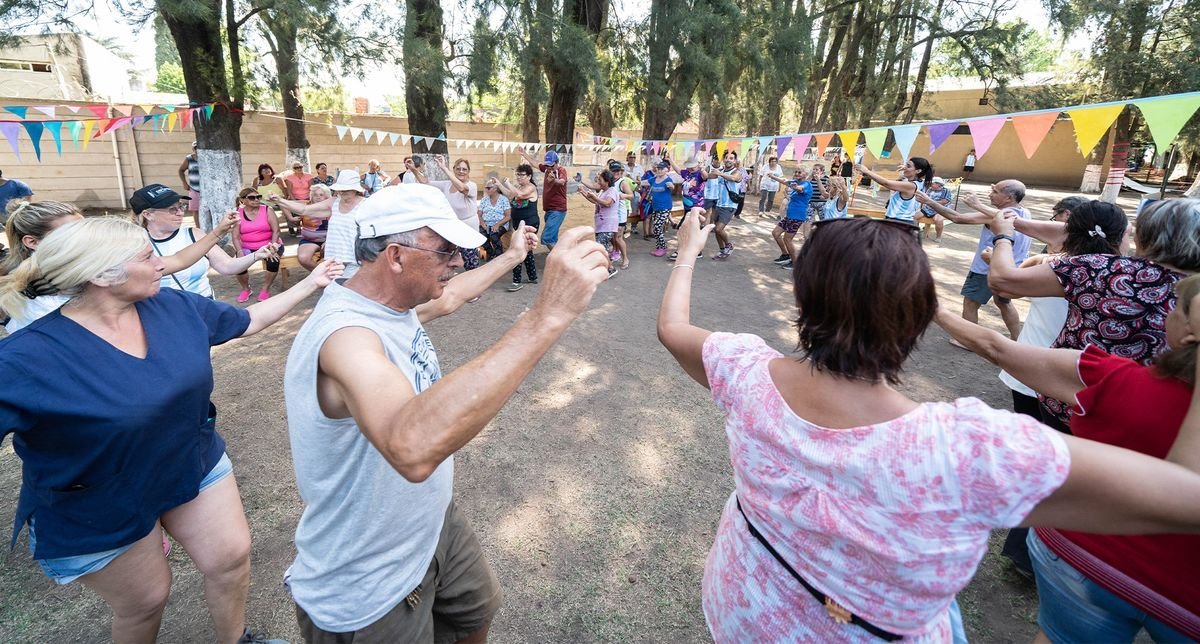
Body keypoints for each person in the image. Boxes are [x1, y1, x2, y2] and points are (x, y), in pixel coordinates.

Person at [657, 210, 1200, 643]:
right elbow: (1188, 496)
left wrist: (687, 255)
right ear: (919, 315)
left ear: (802, 297)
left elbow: (673, 328)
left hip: (743, 603)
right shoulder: (966, 450)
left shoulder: (744, 371)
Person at [282, 185, 609, 643]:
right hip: (368, 573)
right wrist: (546, 315)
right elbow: (411, 447)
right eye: (446, 251)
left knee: (475, 616)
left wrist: (513, 257)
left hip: (429, 523)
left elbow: (451, 296)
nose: (458, 261)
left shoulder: (390, 305)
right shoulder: (346, 335)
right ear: (395, 256)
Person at [0, 216, 340, 644]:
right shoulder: (23, 360)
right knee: (146, 601)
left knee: (231, 559)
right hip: (99, 500)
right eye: (147, 256)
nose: (162, 264)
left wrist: (311, 283)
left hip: (190, 460)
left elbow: (247, 320)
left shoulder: (174, 307)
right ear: (101, 275)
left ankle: (236, 640)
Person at [936, 274, 1200, 643]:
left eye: (1176, 308)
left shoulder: (1116, 379)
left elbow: (997, 348)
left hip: (1083, 558)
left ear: (1189, 333)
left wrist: (935, 310)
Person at [983, 197, 1200, 429]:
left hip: (1074, 401)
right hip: (1160, 419)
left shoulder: (1106, 268)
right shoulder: (1186, 287)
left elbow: (1004, 282)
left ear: (1146, 235)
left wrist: (1003, 237)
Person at [916, 180, 1032, 340]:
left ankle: (967, 341)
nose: (990, 194)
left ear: (1009, 198)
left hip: (986, 269)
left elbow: (957, 217)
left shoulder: (995, 217)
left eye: (996, 192)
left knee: (970, 302)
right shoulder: (1024, 213)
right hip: (1011, 269)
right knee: (1003, 303)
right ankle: (1017, 338)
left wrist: (928, 201)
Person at [131, 184, 277, 301]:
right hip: (162, 315)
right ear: (148, 214)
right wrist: (219, 231)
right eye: (172, 209)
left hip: (203, 307)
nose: (181, 212)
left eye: (181, 206)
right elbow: (179, 260)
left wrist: (257, 255)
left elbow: (227, 266)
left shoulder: (194, 234)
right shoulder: (135, 245)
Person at [270, 169, 367, 278]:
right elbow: (304, 210)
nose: (343, 191)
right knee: (334, 290)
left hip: (356, 258)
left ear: (355, 189)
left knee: (351, 290)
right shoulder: (333, 202)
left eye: (346, 188)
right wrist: (279, 200)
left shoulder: (366, 205)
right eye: (341, 188)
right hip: (335, 257)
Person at [425, 157, 481, 270]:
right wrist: (413, 169)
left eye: (464, 169)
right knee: (445, 257)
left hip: (469, 228)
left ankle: (474, 283)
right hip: (453, 226)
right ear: (454, 169)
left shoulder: (472, 186)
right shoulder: (446, 184)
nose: (461, 171)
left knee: (470, 261)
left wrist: (444, 168)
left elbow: (461, 188)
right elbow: (425, 182)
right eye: (458, 168)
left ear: (468, 172)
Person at [232, 188, 285, 302]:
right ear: (242, 200)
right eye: (251, 198)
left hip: (269, 244)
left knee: (273, 261)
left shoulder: (267, 210)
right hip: (247, 246)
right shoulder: (237, 213)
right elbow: (235, 236)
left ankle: (265, 289)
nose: (256, 200)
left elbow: (276, 231)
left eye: (258, 197)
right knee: (239, 264)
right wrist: (239, 251)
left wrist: (273, 247)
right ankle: (246, 289)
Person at [497, 164, 540, 291]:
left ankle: (516, 281)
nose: (519, 177)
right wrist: (500, 184)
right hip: (518, 223)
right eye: (518, 174)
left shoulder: (531, 187)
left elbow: (520, 195)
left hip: (529, 224)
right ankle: (532, 277)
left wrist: (509, 183)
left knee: (518, 248)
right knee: (526, 249)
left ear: (529, 176)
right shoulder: (518, 187)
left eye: (522, 175)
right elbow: (511, 195)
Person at [579, 161, 631, 264]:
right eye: (614, 170)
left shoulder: (613, 190)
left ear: (607, 181)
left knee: (607, 244)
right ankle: (610, 263)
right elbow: (596, 201)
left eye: (600, 180)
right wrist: (584, 193)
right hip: (603, 225)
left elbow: (607, 203)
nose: (598, 182)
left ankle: (617, 263)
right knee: (604, 246)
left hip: (611, 222)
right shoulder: (604, 190)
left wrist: (623, 196)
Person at [519, 149, 568, 250]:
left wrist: (553, 180)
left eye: (551, 165)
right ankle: (558, 262)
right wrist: (525, 154)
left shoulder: (561, 170)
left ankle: (559, 258)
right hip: (549, 210)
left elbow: (562, 182)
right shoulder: (546, 169)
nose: (549, 167)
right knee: (553, 239)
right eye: (547, 165)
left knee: (547, 237)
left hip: (558, 210)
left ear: (557, 162)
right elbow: (535, 164)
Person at [856, 157, 932, 222]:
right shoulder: (920, 183)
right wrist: (907, 169)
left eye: (908, 166)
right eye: (905, 165)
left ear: (918, 171)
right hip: (902, 221)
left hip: (899, 221)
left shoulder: (911, 186)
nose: (904, 167)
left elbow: (886, 183)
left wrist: (867, 171)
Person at [699, 151, 742, 259]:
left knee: (719, 229)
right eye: (726, 157)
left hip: (730, 205)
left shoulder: (737, 171)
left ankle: (729, 245)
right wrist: (701, 168)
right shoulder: (720, 170)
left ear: (735, 161)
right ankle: (722, 250)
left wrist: (720, 174)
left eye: (731, 158)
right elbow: (707, 177)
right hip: (719, 204)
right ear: (723, 159)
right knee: (716, 229)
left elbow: (734, 178)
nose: (728, 160)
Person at [768, 167, 812, 269]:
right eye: (796, 172)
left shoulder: (807, 184)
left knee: (787, 239)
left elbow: (800, 188)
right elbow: (784, 181)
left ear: (805, 174)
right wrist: (772, 176)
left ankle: (795, 262)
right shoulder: (795, 181)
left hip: (797, 216)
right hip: (789, 216)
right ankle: (785, 255)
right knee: (776, 233)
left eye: (799, 172)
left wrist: (796, 187)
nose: (797, 173)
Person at [641, 160, 677, 257]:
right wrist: (634, 181)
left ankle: (663, 247)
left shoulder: (667, 180)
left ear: (666, 170)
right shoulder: (654, 178)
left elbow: (672, 187)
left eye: (661, 169)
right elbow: (645, 182)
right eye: (658, 168)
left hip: (665, 208)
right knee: (657, 227)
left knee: (657, 227)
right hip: (655, 207)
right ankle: (658, 247)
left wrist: (671, 187)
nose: (659, 170)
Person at [293, 183, 332, 270]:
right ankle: (322, 275)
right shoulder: (305, 206)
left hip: (330, 239)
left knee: (329, 256)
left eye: (321, 195)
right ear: (311, 196)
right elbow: (285, 204)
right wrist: (290, 218)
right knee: (303, 258)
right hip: (309, 240)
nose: (318, 197)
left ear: (327, 197)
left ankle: (331, 277)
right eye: (315, 195)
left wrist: (328, 241)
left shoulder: (332, 208)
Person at [477, 178, 510, 261]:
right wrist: (482, 223)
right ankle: (491, 252)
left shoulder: (503, 200)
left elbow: (508, 216)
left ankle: (500, 257)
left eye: (489, 188)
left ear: (495, 189)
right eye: (486, 188)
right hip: (486, 224)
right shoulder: (484, 200)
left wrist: (497, 224)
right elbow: (479, 214)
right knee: (480, 235)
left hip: (500, 224)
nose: (486, 189)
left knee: (493, 234)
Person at [917, 176, 951, 241]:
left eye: (932, 184)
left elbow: (945, 201)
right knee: (914, 216)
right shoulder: (930, 189)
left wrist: (931, 202)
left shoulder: (946, 190)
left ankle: (938, 237)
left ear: (938, 184)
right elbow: (925, 198)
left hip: (939, 210)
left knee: (938, 220)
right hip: (927, 209)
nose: (930, 185)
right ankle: (916, 232)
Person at [177, 143, 202, 228]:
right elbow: (181, 170)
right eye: (196, 149)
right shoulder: (189, 159)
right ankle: (198, 228)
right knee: (195, 210)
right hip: (194, 188)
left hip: (207, 190)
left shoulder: (207, 158)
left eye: (200, 148)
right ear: (193, 149)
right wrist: (184, 183)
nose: (198, 150)